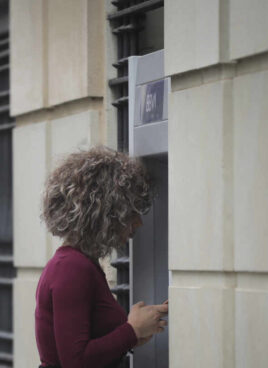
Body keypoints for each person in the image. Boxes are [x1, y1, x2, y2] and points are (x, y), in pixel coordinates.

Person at [35, 146, 168, 368]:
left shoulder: (77, 262)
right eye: (131, 213)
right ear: (106, 214)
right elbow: (75, 361)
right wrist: (131, 331)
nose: (138, 223)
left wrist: (135, 334)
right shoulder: (72, 268)